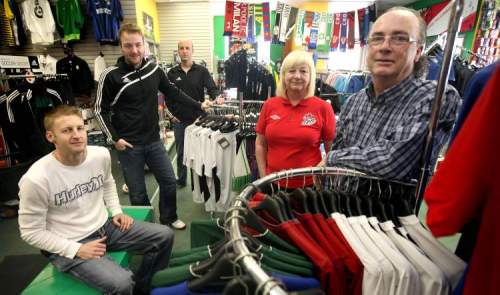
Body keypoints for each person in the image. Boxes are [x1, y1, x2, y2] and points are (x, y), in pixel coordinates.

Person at [18, 105, 174, 295]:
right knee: (122, 283)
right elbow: (30, 232)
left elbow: (108, 182)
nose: (76, 135)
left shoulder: (99, 154)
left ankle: (143, 288)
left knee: (164, 236)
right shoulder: (36, 179)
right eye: (67, 130)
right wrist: (75, 249)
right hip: (69, 241)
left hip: (104, 227)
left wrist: (116, 211)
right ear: (51, 137)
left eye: (80, 128)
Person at [95, 24, 211, 229]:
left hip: (154, 141)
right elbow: (98, 110)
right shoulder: (110, 75)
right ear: (121, 47)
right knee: (138, 192)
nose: (134, 50)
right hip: (129, 146)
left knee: (168, 182)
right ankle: (147, 228)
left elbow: (174, 92)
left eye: (138, 45)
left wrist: (198, 105)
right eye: (128, 46)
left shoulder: (154, 69)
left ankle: (168, 218)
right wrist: (114, 138)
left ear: (144, 46)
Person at [323, 7, 460, 181]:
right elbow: (335, 159)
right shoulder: (354, 102)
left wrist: (332, 159)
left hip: (394, 209)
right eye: (377, 38)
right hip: (335, 205)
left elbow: (391, 161)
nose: (385, 47)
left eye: (399, 39)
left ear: (418, 51)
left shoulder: (436, 97)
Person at [256, 50, 336, 188]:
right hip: (273, 183)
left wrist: (328, 181)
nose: (297, 76)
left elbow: (332, 150)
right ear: (283, 75)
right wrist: (263, 178)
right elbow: (260, 144)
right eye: (291, 71)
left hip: (309, 186)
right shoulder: (269, 105)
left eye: (303, 71)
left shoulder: (323, 108)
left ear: (311, 76)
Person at [166, 40, 220, 188]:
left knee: (201, 153)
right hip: (180, 121)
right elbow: (167, 96)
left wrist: (217, 97)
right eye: (181, 48)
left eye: (187, 48)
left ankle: (200, 182)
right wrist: (171, 115)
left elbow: (212, 88)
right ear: (178, 51)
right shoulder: (171, 73)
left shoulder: (202, 71)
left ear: (192, 51)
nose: (184, 51)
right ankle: (181, 179)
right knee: (181, 153)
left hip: (199, 120)